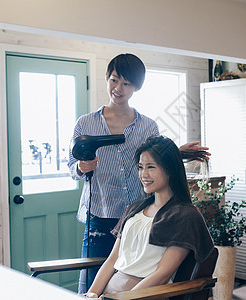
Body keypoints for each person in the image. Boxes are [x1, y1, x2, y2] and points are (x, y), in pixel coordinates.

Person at [68, 53, 209, 293]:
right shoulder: (86, 123)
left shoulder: (147, 126)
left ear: (136, 87)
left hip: (138, 213)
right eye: (114, 80)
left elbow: (156, 157)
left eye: (126, 83)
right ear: (107, 79)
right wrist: (81, 167)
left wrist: (179, 152)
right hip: (101, 216)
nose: (118, 88)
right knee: (90, 287)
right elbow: (73, 167)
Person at [84, 135, 214, 298]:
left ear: (170, 169)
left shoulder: (184, 216)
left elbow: (162, 275)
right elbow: (112, 260)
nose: (143, 174)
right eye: (140, 167)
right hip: (109, 295)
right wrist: (92, 294)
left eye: (151, 167)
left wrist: (123, 298)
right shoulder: (135, 209)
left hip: (143, 296)